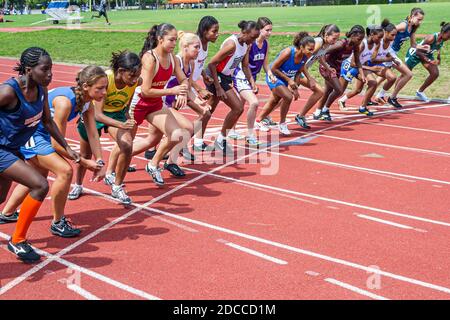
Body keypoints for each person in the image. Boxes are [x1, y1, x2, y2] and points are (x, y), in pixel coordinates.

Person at [2, 66, 107, 238]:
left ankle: (6, 213)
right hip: (32, 134)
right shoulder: (65, 102)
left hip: (44, 136)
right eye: (100, 88)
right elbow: (57, 144)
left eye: (105, 88)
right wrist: (85, 162)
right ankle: (57, 222)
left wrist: (100, 161)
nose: (104, 92)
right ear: (86, 86)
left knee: (38, 174)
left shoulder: (88, 102)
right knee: (65, 171)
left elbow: (93, 133)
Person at [0, 47, 79, 263]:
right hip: (1, 150)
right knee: (39, 184)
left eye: (51, 69)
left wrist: (67, 148)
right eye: (45, 70)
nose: (50, 74)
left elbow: (47, 121)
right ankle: (17, 240)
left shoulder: (41, 90)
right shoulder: (8, 92)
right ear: (28, 70)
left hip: (12, 149)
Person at [69, 52, 141, 204]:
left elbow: (127, 102)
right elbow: (98, 115)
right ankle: (78, 185)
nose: (135, 80)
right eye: (132, 76)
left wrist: (127, 117)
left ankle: (117, 186)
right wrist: (122, 124)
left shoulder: (135, 80)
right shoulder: (106, 79)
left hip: (116, 114)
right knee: (85, 154)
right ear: (120, 71)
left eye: (137, 76)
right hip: (94, 114)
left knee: (127, 145)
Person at [130, 23, 192, 186]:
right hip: (138, 103)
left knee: (176, 134)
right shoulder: (149, 58)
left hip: (155, 103)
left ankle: (153, 164)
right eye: (171, 40)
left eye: (174, 40)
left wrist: (183, 90)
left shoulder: (172, 58)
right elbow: (145, 91)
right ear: (160, 39)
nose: (174, 44)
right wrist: (173, 92)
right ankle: (112, 172)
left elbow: (183, 78)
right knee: (125, 144)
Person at [206, 20, 260, 155]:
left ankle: (212, 140)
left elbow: (245, 65)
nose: (253, 41)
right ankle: (216, 140)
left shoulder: (246, 45)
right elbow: (212, 64)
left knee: (208, 111)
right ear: (244, 32)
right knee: (237, 107)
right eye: (252, 37)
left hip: (224, 77)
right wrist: (218, 87)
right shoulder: (232, 44)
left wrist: (251, 82)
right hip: (215, 75)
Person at [255, 32, 317, 135]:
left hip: (284, 78)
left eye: (313, 49)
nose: (311, 52)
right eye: (309, 49)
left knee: (275, 100)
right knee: (288, 97)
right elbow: (273, 68)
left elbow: (299, 71)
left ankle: (258, 120)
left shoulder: (305, 56)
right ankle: (282, 124)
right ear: (301, 47)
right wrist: (288, 80)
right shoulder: (288, 52)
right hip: (273, 76)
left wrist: (296, 88)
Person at [231, 17, 275, 146]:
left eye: (271, 30)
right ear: (259, 30)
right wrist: (251, 81)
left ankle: (231, 130)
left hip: (251, 77)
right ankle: (250, 136)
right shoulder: (250, 43)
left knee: (238, 106)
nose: (270, 33)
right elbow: (244, 64)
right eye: (267, 30)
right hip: (242, 76)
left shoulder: (266, 44)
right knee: (254, 103)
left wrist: (270, 74)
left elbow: (265, 64)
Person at [312, 25, 366, 116]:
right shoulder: (340, 44)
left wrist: (362, 74)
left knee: (328, 90)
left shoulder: (355, 46)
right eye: (359, 39)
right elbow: (323, 52)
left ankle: (318, 112)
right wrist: (326, 66)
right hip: (327, 67)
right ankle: (325, 109)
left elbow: (357, 61)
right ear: (352, 36)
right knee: (339, 90)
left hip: (336, 69)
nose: (360, 42)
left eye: (362, 39)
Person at [383, 7, 427, 108]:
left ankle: (377, 97)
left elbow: (413, 45)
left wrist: (423, 47)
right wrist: (384, 47)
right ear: (412, 16)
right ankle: (392, 98)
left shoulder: (412, 29)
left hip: (393, 53)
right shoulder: (403, 25)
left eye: (421, 20)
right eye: (419, 19)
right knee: (408, 74)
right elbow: (388, 31)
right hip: (389, 52)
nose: (420, 22)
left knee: (382, 77)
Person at [406, 22, 450, 102]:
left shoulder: (442, 39)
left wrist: (438, 58)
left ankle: (420, 92)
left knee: (435, 73)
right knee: (405, 75)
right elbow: (418, 51)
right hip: (414, 55)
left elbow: (438, 48)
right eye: (449, 36)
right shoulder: (431, 38)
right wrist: (429, 60)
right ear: (443, 32)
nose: (449, 38)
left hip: (427, 54)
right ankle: (389, 95)